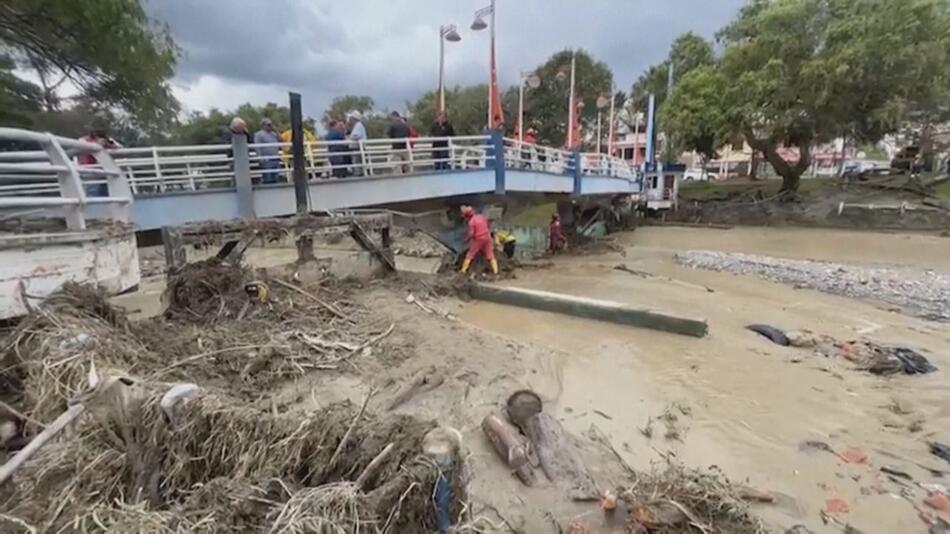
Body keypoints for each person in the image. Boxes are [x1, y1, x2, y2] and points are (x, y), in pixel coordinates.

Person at [77, 126, 121, 196]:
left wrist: (109, 143)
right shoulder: (83, 140)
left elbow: (119, 147)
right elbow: (80, 146)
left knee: (105, 187)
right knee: (91, 189)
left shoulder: (105, 140)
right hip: (87, 168)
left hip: (100, 168)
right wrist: (96, 144)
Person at [460, 205, 498, 274]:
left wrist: (466, 240)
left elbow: (471, 234)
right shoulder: (481, 217)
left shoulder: (471, 222)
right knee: (490, 254)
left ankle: (463, 271)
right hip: (487, 237)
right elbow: (488, 225)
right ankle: (496, 271)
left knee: (470, 255)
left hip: (478, 239)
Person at [254, 118, 281, 184]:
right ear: (263, 125)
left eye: (271, 124)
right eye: (269, 125)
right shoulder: (259, 134)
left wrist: (276, 131)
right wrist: (260, 158)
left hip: (275, 159)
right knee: (268, 179)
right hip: (266, 160)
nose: (271, 126)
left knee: (276, 179)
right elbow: (257, 147)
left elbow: (281, 140)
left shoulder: (274, 134)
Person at [346, 111, 368, 176]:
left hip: (357, 148)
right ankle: (359, 173)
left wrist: (348, 138)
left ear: (354, 118)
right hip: (357, 148)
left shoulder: (358, 125)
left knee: (357, 163)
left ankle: (358, 174)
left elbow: (356, 136)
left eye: (351, 118)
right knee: (357, 163)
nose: (350, 119)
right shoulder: (358, 125)